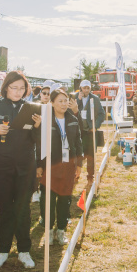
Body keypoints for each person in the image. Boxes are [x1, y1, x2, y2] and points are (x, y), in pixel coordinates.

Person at [0, 71, 41, 269]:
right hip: (1, 166)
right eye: (14, 87)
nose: (18, 91)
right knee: (4, 208)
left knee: (23, 209)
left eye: (22, 88)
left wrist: (39, 127)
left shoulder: (33, 109)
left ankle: (24, 250)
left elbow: (40, 140)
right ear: (6, 87)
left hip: (25, 166)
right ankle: (3, 249)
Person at [38, 88, 83, 244]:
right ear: (52, 103)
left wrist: (79, 165)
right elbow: (38, 144)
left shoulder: (72, 120)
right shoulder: (45, 120)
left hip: (68, 166)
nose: (64, 104)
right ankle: (49, 230)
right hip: (50, 166)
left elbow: (78, 143)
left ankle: (61, 230)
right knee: (48, 199)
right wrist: (39, 165)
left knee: (65, 199)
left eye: (66, 101)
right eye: (60, 101)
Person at [76, 80, 104, 182]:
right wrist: (78, 100)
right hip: (78, 131)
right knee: (78, 153)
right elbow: (71, 111)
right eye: (84, 88)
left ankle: (90, 175)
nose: (86, 90)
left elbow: (102, 114)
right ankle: (76, 173)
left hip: (90, 130)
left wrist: (95, 126)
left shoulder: (95, 99)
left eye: (88, 88)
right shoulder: (75, 97)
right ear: (81, 88)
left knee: (91, 154)